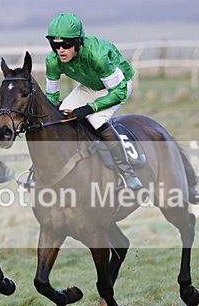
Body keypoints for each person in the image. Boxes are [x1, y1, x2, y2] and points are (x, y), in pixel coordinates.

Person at [44, 12, 143, 189]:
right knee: (61, 117)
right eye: (55, 45)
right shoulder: (52, 61)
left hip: (118, 86)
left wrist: (90, 108)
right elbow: (51, 97)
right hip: (90, 86)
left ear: (78, 42)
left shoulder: (97, 55)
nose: (60, 50)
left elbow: (118, 92)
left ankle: (127, 173)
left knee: (96, 119)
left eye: (66, 45)